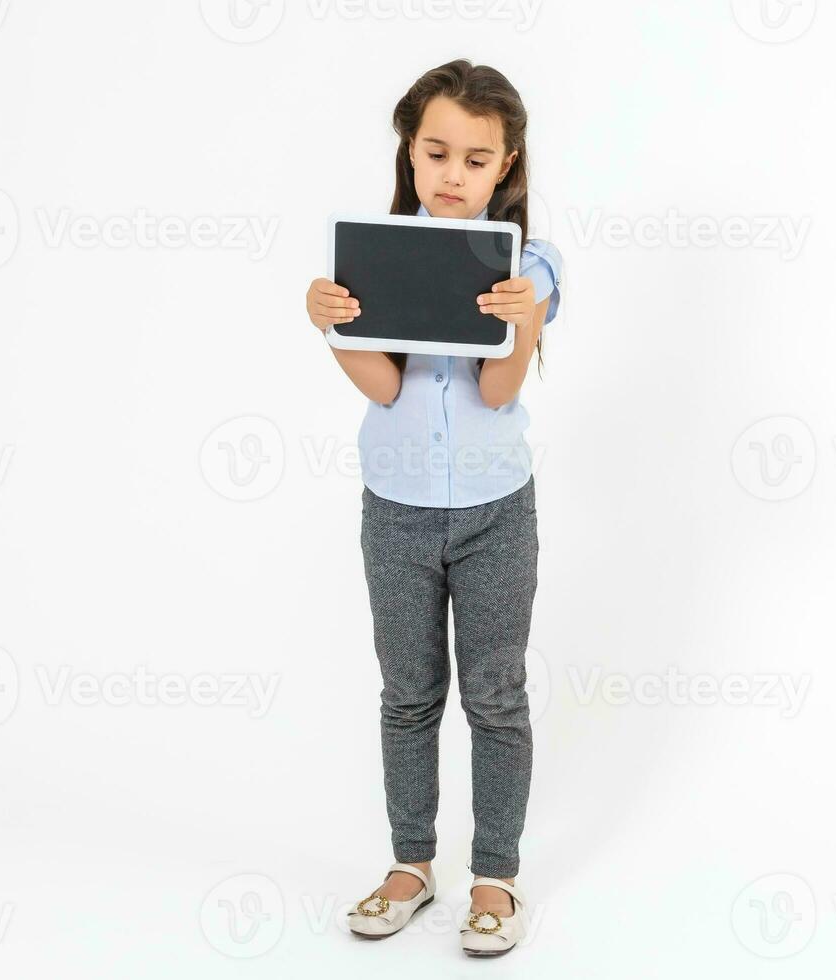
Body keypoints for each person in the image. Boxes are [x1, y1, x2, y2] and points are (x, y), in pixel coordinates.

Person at [304, 58, 562, 958]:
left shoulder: (530, 265)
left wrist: (522, 316)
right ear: (410, 153)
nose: (453, 174)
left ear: (507, 164)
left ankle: (496, 875)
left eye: (476, 158)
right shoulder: (378, 254)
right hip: (398, 510)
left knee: (495, 696)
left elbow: (497, 393)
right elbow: (382, 385)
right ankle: (412, 864)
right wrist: (331, 323)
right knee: (408, 696)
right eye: (436, 152)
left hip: (496, 510)